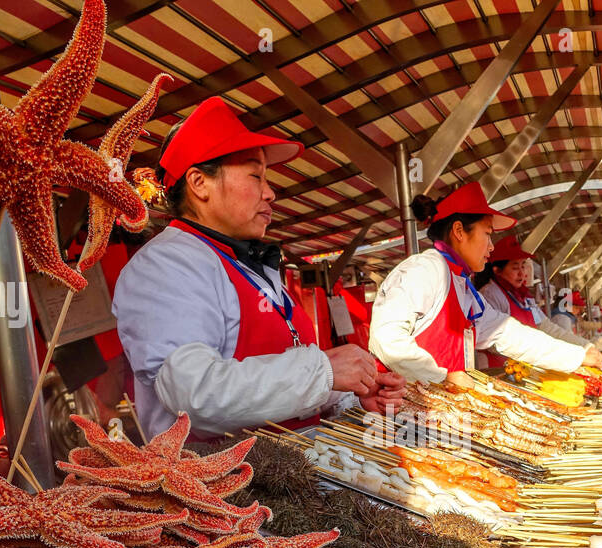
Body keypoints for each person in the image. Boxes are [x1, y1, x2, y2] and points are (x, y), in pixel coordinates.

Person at [114, 97, 402, 439]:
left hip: (294, 472)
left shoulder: (247, 266)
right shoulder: (165, 265)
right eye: (255, 176)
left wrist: (350, 393)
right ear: (199, 183)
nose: (270, 193)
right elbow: (195, 397)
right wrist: (323, 371)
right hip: (225, 486)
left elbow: (286, 377)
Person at [369, 183, 602, 384]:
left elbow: (506, 333)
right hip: (403, 418)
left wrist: (577, 355)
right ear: (459, 231)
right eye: (488, 233)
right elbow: (387, 339)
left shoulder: (462, 286)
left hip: (444, 415)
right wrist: (444, 378)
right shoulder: (423, 269)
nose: (491, 246)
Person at [475, 235, 589, 368]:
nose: (522, 273)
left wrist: (584, 346)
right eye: (515, 267)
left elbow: (546, 327)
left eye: (523, 266)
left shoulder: (524, 297)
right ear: (497, 271)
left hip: (525, 368)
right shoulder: (491, 294)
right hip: (497, 371)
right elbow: (495, 340)